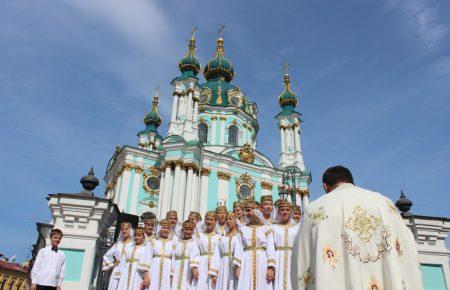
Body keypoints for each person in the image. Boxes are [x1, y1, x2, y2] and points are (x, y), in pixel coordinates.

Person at [291, 165, 424, 290]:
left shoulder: (315, 209)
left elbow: (301, 259)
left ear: (325, 186)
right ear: (352, 182)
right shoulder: (384, 203)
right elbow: (408, 247)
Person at [234, 199, 276, 290]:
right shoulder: (243, 229)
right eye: (245, 211)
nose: (246, 213)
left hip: (262, 261)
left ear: (256, 211)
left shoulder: (266, 228)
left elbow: (271, 248)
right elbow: (239, 248)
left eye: (249, 210)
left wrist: (270, 267)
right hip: (246, 261)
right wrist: (238, 267)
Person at [272, 200, 300, 290]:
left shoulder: (297, 228)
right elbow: (270, 247)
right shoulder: (273, 227)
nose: (285, 212)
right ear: (278, 212)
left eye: (287, 210)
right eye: (282, 210)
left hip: (293, 258)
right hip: (278, 258)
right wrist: (271, 265)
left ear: (290, 212)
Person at [193, 211, 221, 289]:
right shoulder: (199, 236)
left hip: (215, 263)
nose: (209, 222)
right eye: (207, 219)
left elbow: (219, 254)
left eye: (211, 219)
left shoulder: (219, 237)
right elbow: (195, 251)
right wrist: (195, 267)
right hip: (202, 264)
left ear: (216, 221)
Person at [102, 222, 134, 290]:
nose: (124, 231)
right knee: (113, 285)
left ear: (130, 230)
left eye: (126, 229)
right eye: (122, 229)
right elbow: (106, 256)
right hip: (117, 269)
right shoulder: (117, 245)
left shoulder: (133, 245)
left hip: (128, 269)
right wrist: (113, 264)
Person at [172, 220, 200, 290]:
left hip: (188, 269)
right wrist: (171, 272)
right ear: (182, 229)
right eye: (186, 229)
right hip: (176, 267)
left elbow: (195, 256)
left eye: (190, 230)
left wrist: (194, 268)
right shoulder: (177, 243)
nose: (188, 231)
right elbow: (173, 257)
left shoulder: (194, 243)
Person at [147, 219, 174, 290]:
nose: (166, 230)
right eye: (164, 227)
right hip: (154, 269)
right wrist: (146, 275)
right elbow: (147, 258)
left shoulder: (173, 243)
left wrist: (172, 275)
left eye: (168, 228)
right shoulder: (153, 242)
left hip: (167, 270)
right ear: (159, 228)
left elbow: (174, 260)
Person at [216, 212, 240, 290]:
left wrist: (238, 266)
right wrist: (214, 273)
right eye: (226, 219)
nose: (228, 221)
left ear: (236, 220)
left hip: (235, 265)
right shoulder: (222, 238)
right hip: (223, 265)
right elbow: (217, 255)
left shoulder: (240, 235)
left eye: (230, 219)